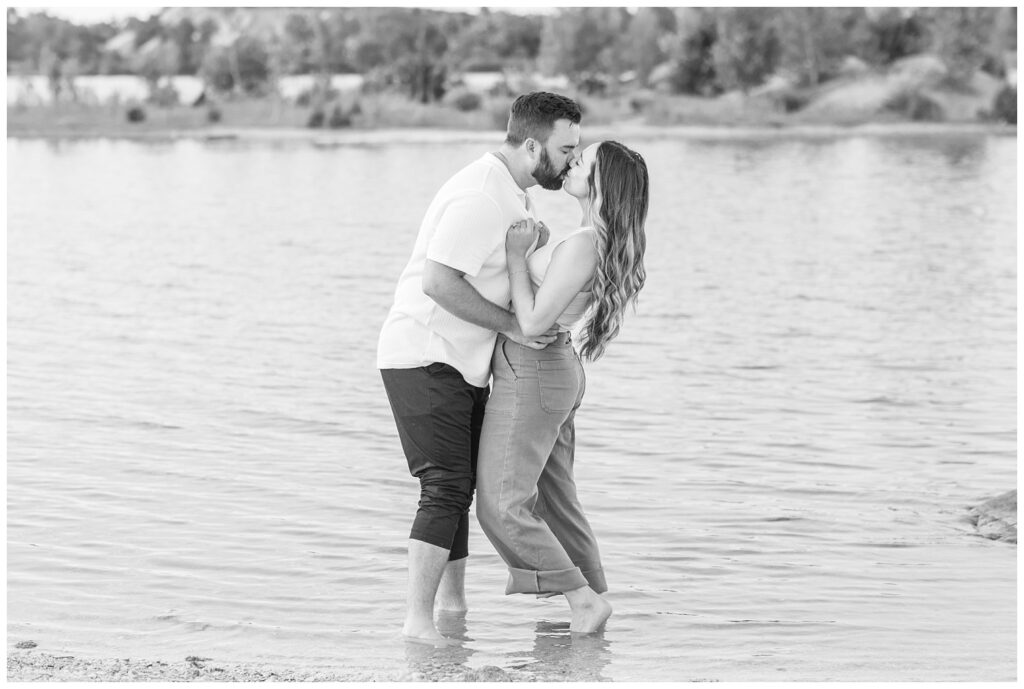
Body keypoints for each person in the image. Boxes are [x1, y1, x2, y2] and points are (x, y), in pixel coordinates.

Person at [377, 92, 582, 643]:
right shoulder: (483, 198)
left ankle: (453, 610)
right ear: (533, 144)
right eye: (566, 150)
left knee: (458, 488)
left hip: (465, 363)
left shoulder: (515, 195)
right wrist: (515, 328)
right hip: (424, 353)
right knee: (444, 486)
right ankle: (418, 623)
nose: (572, 161)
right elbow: (438, 283)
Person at [475, 140, 649, 634]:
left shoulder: (584, 243)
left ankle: (582, 602)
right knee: (555, 500)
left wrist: (516, 255)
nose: (571, 163)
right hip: (551, 371)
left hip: (534, 370)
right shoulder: (586, 239)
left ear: (602, 184)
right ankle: (591, 598)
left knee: (502, 504)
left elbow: (529, 324)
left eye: (583, 160)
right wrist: (535, 250)